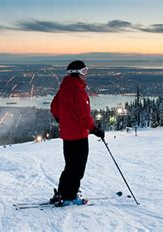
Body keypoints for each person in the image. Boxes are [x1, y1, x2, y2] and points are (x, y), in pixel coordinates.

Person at [49, 60, 105, 206]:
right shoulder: (78, 91)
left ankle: (63, 192)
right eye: (84, 72)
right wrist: (95, 129)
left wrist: (61, 119)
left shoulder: (64, 88)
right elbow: (84, 115)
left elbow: (54, 106)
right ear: (76, 73)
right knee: (78, 168)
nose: (85, 75)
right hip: (78, 136)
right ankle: (70, 195)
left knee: (69, 166)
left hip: (67, 135)